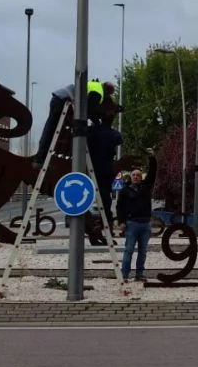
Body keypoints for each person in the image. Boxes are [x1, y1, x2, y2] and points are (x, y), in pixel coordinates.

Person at [31, 80, 105, 168]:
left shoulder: (93, 85)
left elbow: (87, 108)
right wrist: (98, 123)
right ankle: (40, 158)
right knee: (51, 130)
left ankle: (42, 157)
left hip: (60, 98)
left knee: (51, 129)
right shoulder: (98, 91)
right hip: (63, 100)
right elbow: (90, 110)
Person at [116, 150, 157, 283]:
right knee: (128, 250)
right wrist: (121, 222)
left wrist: (152, 158)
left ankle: (139, 274)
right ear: (130, 177)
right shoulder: (125, 191)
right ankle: (125, 274)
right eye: (133, 175)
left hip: (145, 223)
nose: (135, 177)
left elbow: (153, 173)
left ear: (141, 177)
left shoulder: (146, 187)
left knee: (142, 251)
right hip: (131, 223)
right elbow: (119, 207)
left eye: (138, 175)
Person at [86, 111, 122, 242]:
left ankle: (97, 230)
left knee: (88, 201)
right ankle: (106, 232)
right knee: (106, 204)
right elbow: (118, 139)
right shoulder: (115, 134)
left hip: (92, 169)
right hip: (106, 170)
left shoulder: (92, 132)